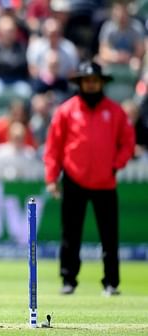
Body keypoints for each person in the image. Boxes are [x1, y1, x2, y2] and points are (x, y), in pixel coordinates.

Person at [44, 61, 135, 296]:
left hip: (105, 181)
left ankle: (111, 282)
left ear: (101, 83)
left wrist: (116, 165)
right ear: (81, 83)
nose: (91, 85)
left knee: (109, 235)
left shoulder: (114, 111)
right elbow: (53, 147)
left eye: (95, 81)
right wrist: (52, 177)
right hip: (74, 179)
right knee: (70, 234)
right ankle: (68, 279)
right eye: (87, 81)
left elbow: (127, 142)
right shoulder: (66, 110)